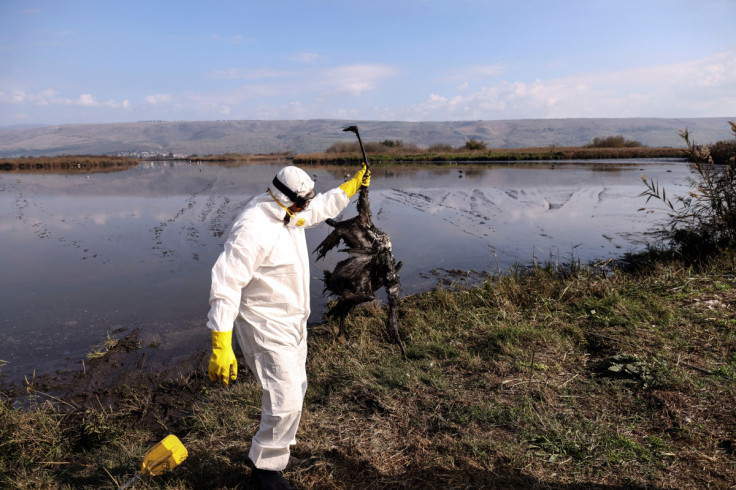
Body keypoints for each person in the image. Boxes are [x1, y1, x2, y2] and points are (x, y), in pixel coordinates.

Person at [206, 164, 370, 489]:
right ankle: (264, 472)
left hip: (294, 322)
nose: (306, 207)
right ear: (286, 197)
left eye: (307, 200)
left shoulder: (290, 211)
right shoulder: (252, 228)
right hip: (264, 327)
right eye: (302, 202)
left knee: (298, 388)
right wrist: (221, 342)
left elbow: (316, 211)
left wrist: (349, 188)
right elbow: (225, 283)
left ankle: (277, 454)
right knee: (285, 399)